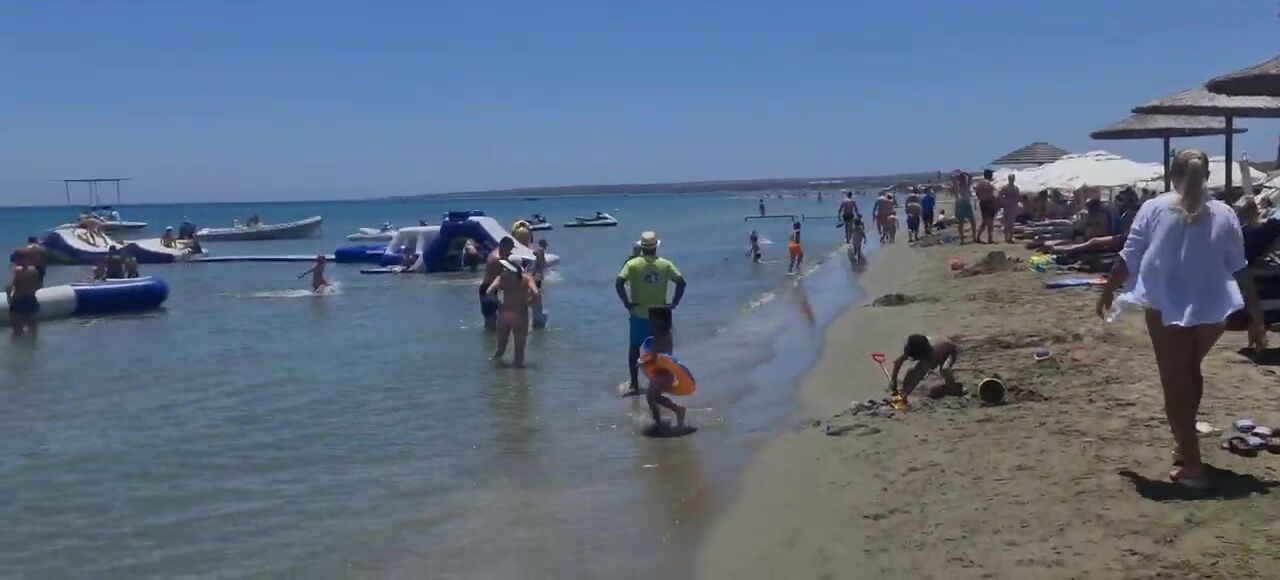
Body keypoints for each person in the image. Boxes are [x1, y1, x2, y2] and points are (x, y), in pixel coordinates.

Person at [1096, 149, 1261, 490]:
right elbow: (1240, 268)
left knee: (1175, 385)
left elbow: (1128, 257)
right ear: (1207, 175)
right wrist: (1257, 316)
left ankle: (1193, 468)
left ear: (1172, 176)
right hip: (1213, 309)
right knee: (1189, 373)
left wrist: (1108, 290)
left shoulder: (1154, 208)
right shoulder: (1225, 212)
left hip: (1166, 306)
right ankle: (1184, 446)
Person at [616, 231, 686, 396]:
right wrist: (674, 303)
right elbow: (681, 282)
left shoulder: (632, 264)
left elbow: (619, 283)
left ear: (642, 247)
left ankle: (634, 385)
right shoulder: (665, 264)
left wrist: (626, 303)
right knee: (663, 352)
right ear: (656, 247)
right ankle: (663, 384)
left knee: (634, 349)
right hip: (660, 315)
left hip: (639, 314)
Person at [487, 256, 539, 366]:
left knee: (500, 349)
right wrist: (528, 303)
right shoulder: (527, 278)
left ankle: (493, 370)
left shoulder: (502, 278)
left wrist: (499, 304)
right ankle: (517, 374)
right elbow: (536, 293)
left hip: (505, 314)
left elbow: (489, 292)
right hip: (520, 314)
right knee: (519, 352)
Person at [640, 306, 687, 430]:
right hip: (660, 372)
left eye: (653, 320)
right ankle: (662, 420)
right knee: (653, 397)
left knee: (652, 397)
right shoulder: (664, 334)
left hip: (664, 374)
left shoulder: (661, 337)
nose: (650, 322)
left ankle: (672, 415)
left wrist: (642, 363)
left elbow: (656, 357)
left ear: (662, 321)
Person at [888, 334, 959, 407]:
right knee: (913, 371)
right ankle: (904, 393)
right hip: (936, 344)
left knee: (944, 369)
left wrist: (906, 393)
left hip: (950, 352)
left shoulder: (930, 356)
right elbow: (898, 363)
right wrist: (893, 380)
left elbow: (917, 376)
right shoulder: (911, 348)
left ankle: (951, 387)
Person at [480, 237, 515, 330]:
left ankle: (494, 337)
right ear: (502, 245)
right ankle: (489, 336)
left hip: (495, 288)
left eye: (511, 249)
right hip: (488, 289)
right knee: (490, 320)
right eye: (509, 248)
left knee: (502, 316)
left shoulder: (502, 254)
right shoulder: (496, 259)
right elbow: (499, 279)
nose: (510, 251)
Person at [7, 250, 41, 337]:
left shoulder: (16, 271)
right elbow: (37, 285)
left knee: (17, 331)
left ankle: (18, 345)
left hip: (18, 301)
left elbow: (9, 286)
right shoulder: (34, 270)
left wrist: (9, 298)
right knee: (33, 330)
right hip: (31, 300)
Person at [952, 171, 978, 244]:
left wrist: (963, 173)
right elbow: (953, 179)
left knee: (971, 222)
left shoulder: (966, 186)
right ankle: (963, 240)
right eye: (962, 179)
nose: (963, 180)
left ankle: (972, 238)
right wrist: (959, 175)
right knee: (962, 223)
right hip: (961, 205)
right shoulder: (958, 187)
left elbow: (970, 177)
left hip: (965, 205)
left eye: (963, 178)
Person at [974, 169, 998, 244]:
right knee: (990, 222)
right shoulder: (988, 183)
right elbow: (992, 193)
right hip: (988, 203)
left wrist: (981, 197)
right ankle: (990, 239)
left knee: (984, 222)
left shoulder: (979, 183)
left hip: (982, 203)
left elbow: (977, 193)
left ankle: (978, 237)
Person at [531, 239, 549, 328]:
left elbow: (534, 253)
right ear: (544, 245)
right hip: (537, 274)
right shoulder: (541, 250)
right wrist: (543, 262)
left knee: (537, 291)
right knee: (537, 291)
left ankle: (536, 310)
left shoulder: (539, 250)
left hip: (536, 273)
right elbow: (541, 260)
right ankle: (537, 310)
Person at [998, 174, 1021, 243]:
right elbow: (1000, 195)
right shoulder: (1005, 187)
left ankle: (1010, 238)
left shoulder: (1016, 188)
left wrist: (1016, 204)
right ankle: (1006, 238)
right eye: (1011, 179)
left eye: (1013, 179)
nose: (1012, 180)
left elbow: (1018, 197)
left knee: (1012, 223)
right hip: (1007, 206)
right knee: (1006, 223)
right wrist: (1003, 202)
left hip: (1013, 206)